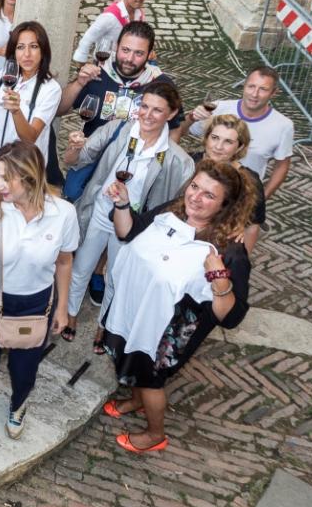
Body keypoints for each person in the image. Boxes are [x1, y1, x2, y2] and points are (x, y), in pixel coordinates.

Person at [101, 159, 254, 453]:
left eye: (209, 195)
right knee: (131, 360)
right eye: (194, 186)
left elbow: (231, 317)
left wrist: (220, 280)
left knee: (150, 377)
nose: (195, 197)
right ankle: (136, 401)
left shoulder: (229, 251)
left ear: (225, 205)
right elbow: (128, 233)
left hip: (171, 328)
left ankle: (154, 434)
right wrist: (122, 205)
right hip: (137, 308)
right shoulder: (171, 212)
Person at [0, 141, 77, 449]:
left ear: (31, 176)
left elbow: (64, 261)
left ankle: (19, 404)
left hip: (36, 302)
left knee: (25, 365)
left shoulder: (63, 213)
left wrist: (63, 307)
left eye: (6, 178)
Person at [62, 80, 194, 351]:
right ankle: (71, 314)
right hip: (100, 211)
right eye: (144, 106)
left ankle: (104, 326)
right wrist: (75, 147)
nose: (147, 115)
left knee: (116, 277)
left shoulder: (177, 160)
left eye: (157, 110)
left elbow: (177, 206)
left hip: (133, 226)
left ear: (171, 113)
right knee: (82, 267)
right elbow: (75, 160)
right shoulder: (117, 129)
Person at [58, 21, 183, 141]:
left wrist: (161, 156)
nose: (129, 59)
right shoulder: (97, 73)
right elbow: (59, 110)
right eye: (125, 50)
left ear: (150, 54)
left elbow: (175, 129)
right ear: (116, 47)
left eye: (139, 53)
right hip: (94, 153)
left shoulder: (162, 84)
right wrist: (79, 83)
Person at [181, 66, 293, 199]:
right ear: (244, 85)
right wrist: (191, 117)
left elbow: (282, 166)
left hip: (244, 194)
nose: (254, 94)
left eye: (263, 89)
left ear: (274, 93)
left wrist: (262, 197)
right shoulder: (217, 108)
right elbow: (181, 131)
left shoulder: (283, 126)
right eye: (251, 86)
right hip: (203, 188)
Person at [0, 21, 61, 178]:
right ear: (14, 51)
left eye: (34, 46)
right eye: (20, 47)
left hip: (22, 172)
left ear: (43, 51)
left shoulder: (51, 89)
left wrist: (16, 111)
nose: (27, 54)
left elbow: (30, 137)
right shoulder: (5, 75)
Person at [190, 114, 265, 252]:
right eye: (214, 138)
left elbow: (252, 227)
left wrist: (242, 260)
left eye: (228, 142)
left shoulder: (250, 181)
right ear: (206, 138)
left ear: (240, 147)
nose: (218, 146)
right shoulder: (187, 163)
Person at [72, 0, 149, 64]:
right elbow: (87, 38)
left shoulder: (140, 14)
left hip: (127, 65)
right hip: (104, 64)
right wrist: (81, 64)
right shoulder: (110, 17)